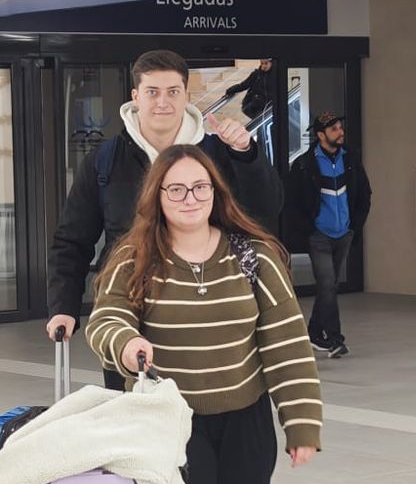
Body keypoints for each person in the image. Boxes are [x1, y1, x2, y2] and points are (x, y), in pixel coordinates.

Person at [87, 144, 320, 484]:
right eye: (176, 189)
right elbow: (105, 318)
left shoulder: (255, 257)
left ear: (216, 193)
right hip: (173, 429)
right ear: (157, 196)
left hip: (245, 424)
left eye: (199, 187)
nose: (189, 198)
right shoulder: (135, 257)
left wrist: (301, 423)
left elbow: (286, 344)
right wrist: (126, 343)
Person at [46, 49, 283, 389]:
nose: (163, 102)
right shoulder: (106, 160)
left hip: (209, 310)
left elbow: (267, 208)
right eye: (152, 92)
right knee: (134, 414)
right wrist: (63, 306)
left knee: (210, 405)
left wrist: (246, 155)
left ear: (186, 95)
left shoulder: (218, 152)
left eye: (173, 92)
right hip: (130, 313)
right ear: (136, 96)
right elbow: (73, 239)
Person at [283, 112, 371, 357]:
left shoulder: (350, 158)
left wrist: (355, 225)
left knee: (329, 286)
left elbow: (364, 193)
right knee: (327, 285)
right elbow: (291, 203)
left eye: (340, 127)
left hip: (344, 233)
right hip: (319, 236)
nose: (340, 132)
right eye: (334, 129)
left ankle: (313, 332)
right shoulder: (304, 165)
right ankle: (334, 340)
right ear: (320, 135)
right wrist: (309, 229)